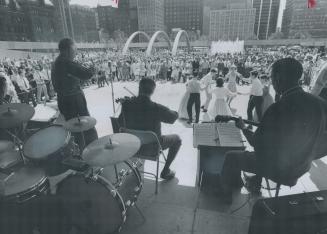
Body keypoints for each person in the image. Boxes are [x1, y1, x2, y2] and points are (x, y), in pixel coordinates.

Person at [218, 58, 327, 204]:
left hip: (280, 169)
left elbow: (257, 143)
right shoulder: (320, 103)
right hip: (303, 166)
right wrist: (308, 155)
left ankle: (225, 195)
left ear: (278, 78)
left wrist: (243, 128)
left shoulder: (277, 108)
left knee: (231, 157)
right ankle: (251, 181)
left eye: (272, 77)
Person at [118, 78, 181, 180]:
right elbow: (173, 118)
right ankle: (165, 171)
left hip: (131, 146)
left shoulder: (126, 104)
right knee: (177, 139)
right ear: (152, 91)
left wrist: (128, 104)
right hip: (151, 149)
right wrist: (171, 111)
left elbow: (120, 122)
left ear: (139, 88)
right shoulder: (156, 108)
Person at [51, 38, 98, 149]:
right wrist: (92, 68)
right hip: (74, 100)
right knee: (86, 125)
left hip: (63, 100)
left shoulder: (57, 62)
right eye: (74, 48)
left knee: (74, 128)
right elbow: (87, 74)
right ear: (67, 49)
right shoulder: (66, 62)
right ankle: (94, 149)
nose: (76, 51)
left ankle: (80, 149)